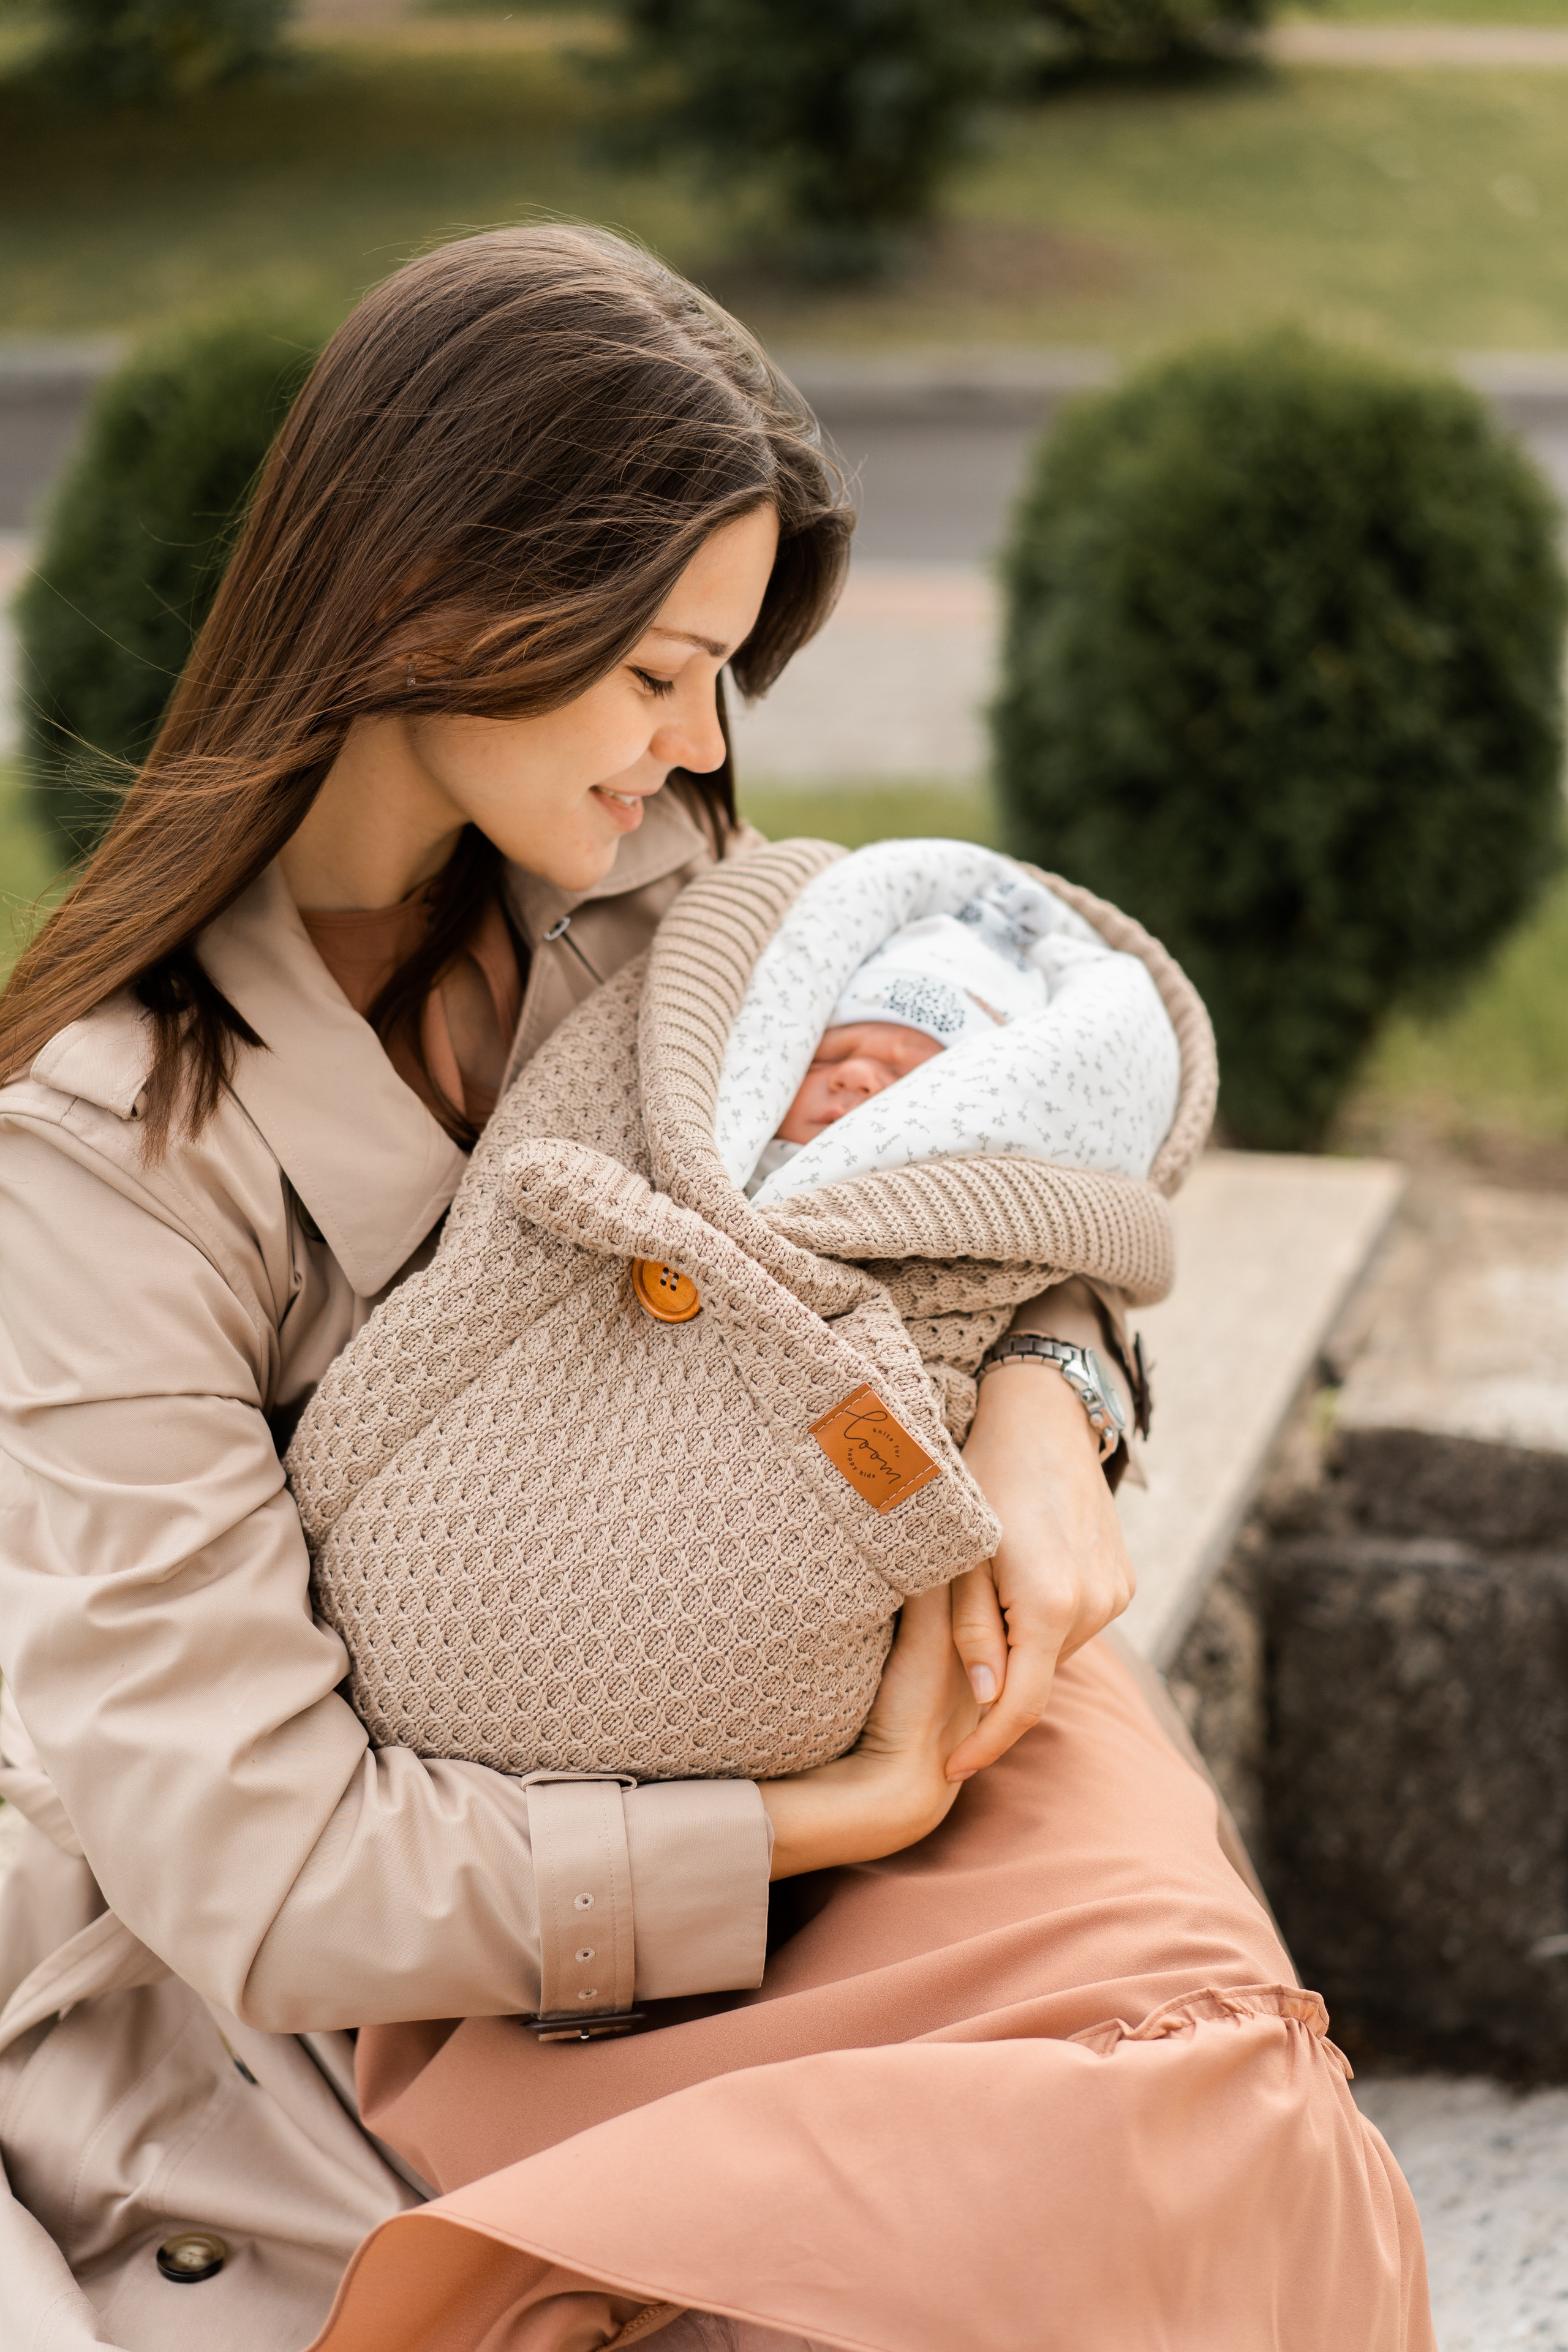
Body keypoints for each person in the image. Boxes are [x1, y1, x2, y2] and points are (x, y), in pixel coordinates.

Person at [0, 225, 1435, 2352]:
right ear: (436, 595)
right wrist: (817, 1817)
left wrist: (1052, 1402)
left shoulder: (651, 894)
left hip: (873, 1672)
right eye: (657, 669)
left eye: (721, 680)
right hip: (495, 1902)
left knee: (1228, 2126)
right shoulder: (112, 1159)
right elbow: (273, 1871)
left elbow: (959, 1174)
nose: (692, 746)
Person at [287, 834, 1195, 1793]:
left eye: (905, 1079)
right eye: (835, 1053)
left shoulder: (678, 844)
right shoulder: (708, 1056)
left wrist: (1051, 1376)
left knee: (1154, 1828)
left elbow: (1030, 1251)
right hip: (471, 1757)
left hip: (877, 1584)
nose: (857, 1079)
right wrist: (872, 1808)